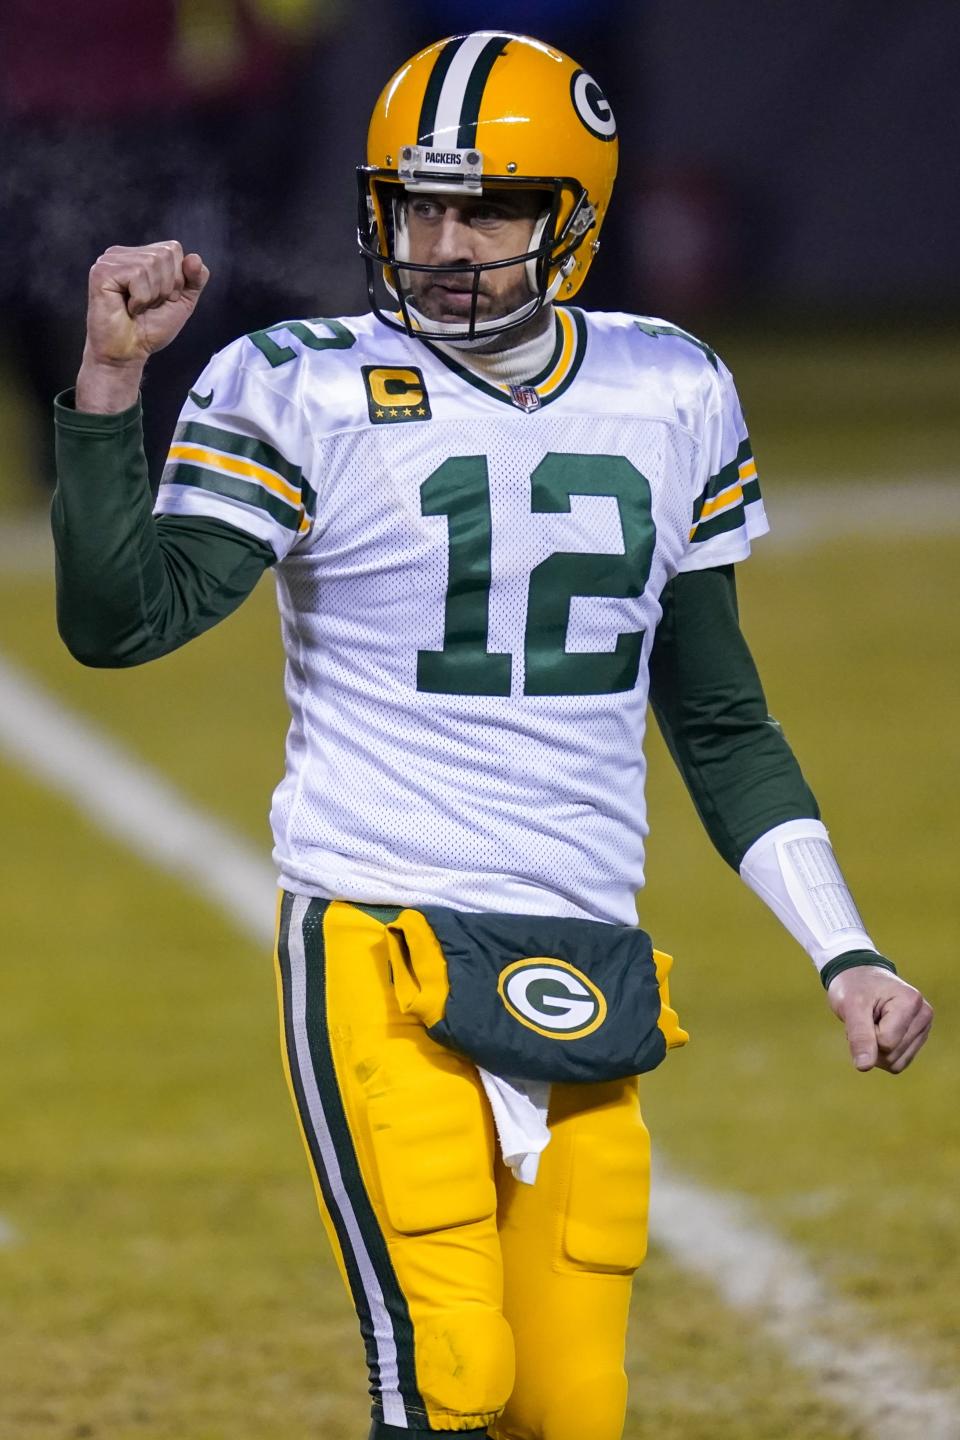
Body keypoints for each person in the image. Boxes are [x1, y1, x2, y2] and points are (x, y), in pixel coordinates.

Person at [52, 31, 933, 1440]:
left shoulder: (670, 387)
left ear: (574, 214)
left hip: (583, 940)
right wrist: (109, 387)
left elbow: (717, 717)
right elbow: (123, 623)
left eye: (489, 207)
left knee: (573, 1405)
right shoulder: (303, 382)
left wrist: (845, 947)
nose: (446, 240)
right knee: (452, 1376)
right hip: (375, 930)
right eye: (419, 203)